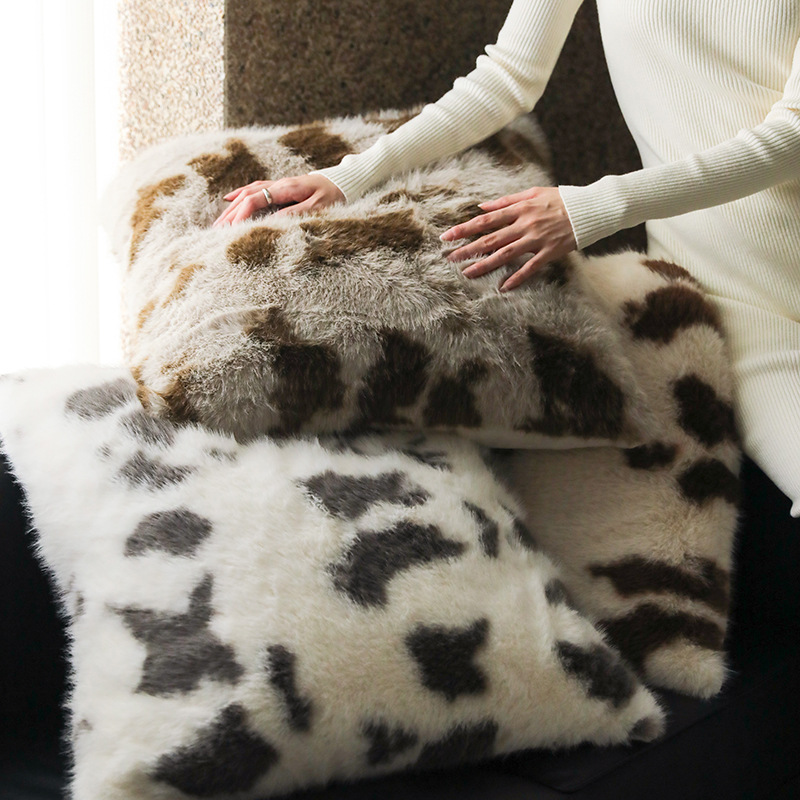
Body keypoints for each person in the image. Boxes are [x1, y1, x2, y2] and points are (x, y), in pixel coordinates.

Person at [212, 0, 800, 517]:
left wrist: (590, 207)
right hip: (740, 305)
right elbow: (508, 76)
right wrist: (348, 177)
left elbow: (792, 135)